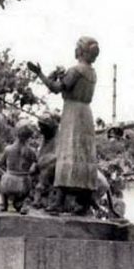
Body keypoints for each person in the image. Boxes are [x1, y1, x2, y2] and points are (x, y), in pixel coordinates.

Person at [28, 36, 100, 214]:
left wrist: (40, 74)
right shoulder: (92, 72)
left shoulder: (76, 70)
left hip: (73, 115)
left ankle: (58, 201)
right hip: (86, 114)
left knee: (68, 154)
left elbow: (56, 88)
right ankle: (84, 202)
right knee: (83, 156)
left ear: (80, 50)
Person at [0, 123, 37, 213]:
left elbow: (0, 162)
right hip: (24, 182)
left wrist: (9, 169)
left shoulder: (8, 149)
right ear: (29, 136)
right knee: (28, 182)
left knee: (4, 178)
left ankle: (5, 204)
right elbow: (35, 166)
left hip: (8, 182)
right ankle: (22, 203)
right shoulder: (31, 151)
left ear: (16, 134)